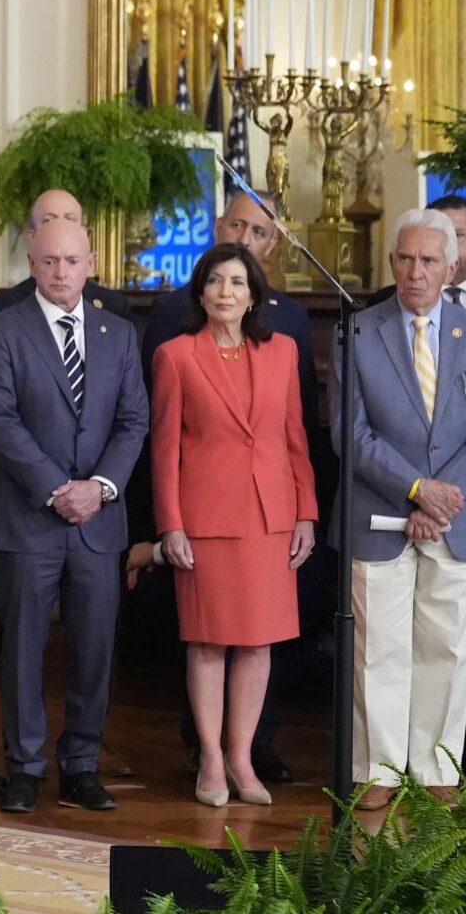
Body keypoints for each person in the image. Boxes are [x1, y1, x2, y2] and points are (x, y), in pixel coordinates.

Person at [134, 190, 328, 785]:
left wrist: (306, 515)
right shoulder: (176, 356)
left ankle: (243, 759)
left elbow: (297, 438)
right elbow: (163, 448)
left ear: (254, 294)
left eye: (238, 282)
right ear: (201, 292)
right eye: (216, 281)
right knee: (209, 643)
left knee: (258, 643)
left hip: (272, 520)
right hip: (207, 522)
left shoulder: (283, 351)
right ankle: (211, 761)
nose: (226, 291)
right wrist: (168, 526)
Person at [0, 219, 149, 813]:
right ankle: (23, 767)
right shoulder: (1, 331)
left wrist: (98, 488)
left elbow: (133, 422)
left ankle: (81, 763)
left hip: (98, 522)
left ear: (91, 262)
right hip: (27, 520)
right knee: (22, 647)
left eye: (72, 261)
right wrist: (57, 489)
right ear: (31, 263)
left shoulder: (119, 333)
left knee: (94, 647)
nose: (61, 272)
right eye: (49, 262)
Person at [341, 208, 466, 810]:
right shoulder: (357, 329)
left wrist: (441, 494)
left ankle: (437, 773)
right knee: (379, 651)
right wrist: (415, 489)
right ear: (392, 262)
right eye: (405, 259)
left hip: (458, 517)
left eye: (429, 261)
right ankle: (377, 773)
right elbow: (349, 434)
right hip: (380, 518)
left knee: (447, 651)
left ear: (451, 266)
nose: (415, 272)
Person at [0, 189, 131, 320]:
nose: (60, 227)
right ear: (32, 236)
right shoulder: (1, 308)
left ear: (85, 233)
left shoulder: (113, 306)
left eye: (70, 219)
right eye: (49, 220)